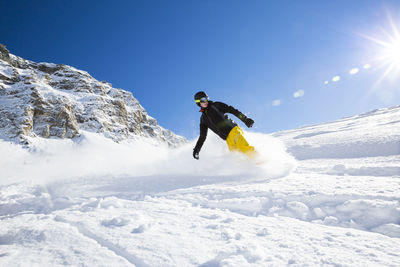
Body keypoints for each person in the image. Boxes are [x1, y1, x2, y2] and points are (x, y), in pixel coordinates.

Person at [193, 91, 256, 160]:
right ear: (198, 102)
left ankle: (261, 162)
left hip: (233, 130)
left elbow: (232, 110)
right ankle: (249, 169)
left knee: (245, 148)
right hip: (227, 138)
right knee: (237, 157)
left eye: (206, 98)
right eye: (203, 100)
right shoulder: (203, 119)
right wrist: (197, 149)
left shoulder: (216, 105)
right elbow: (202, 136)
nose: (206, 101)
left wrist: (245, 119)